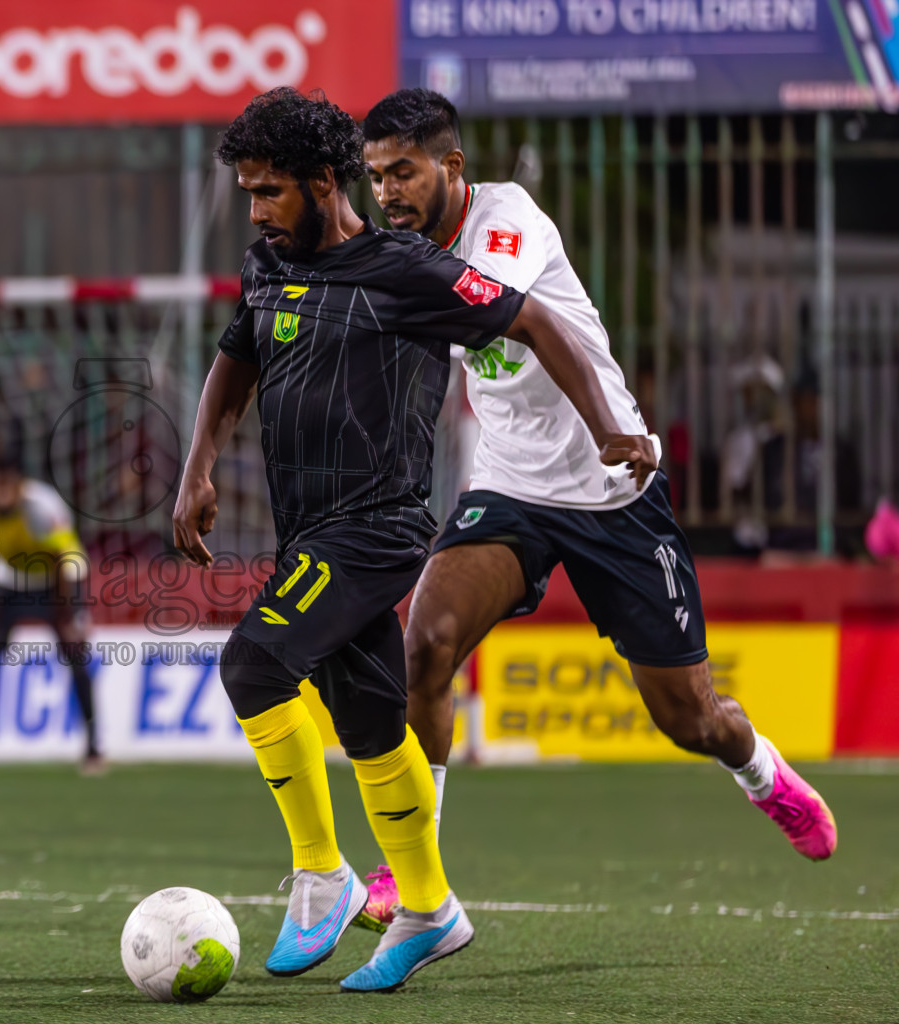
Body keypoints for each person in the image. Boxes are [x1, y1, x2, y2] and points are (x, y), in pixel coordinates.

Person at [172, 87, 654, 993]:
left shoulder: (405, 270)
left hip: (378, 528)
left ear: (323, 183)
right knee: (368, 722)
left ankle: (322, 873)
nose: (256, 209)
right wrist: (200, 465)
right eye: (247, 191)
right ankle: (431, 908)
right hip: (307, 529)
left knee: (252, 666)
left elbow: (534, 320)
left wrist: (605, 427)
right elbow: (236, 355)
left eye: (269, 189)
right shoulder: (268, 262)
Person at [357, 89, 837, 881]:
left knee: (692, 720)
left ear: (451, 166)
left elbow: (506, 320)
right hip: (511, 488)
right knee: (425, 649)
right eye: (373, 179)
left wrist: (614, 430)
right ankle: (410, 867)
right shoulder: (399, 244)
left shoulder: (508, 221)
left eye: (402, 173)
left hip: (615, 486)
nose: (386, 194)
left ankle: (763, 775)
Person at [0, 447, 102, 776]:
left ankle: (93, 749)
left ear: (21, 485)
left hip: (54, 581)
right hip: (9, 582)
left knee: (75, 653)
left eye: (8, 484)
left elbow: (64, 559)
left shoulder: (43, 507)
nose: (1, 492)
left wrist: (68, 613)